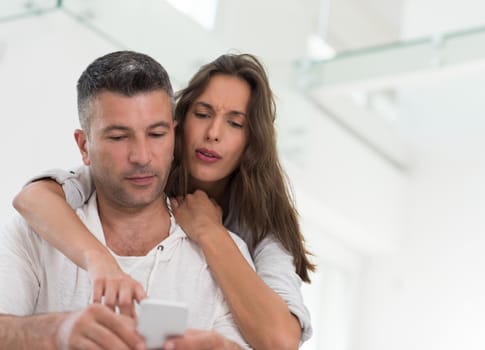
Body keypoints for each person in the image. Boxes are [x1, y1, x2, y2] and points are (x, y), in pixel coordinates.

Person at [14, 53, 315, 349]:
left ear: (253, 141)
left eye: (235, 123)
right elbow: (33, 198)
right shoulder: (124, 177)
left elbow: (280, 341)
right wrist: (99, 261)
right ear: (179, 124)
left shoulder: (259, 230)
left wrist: (210, 232)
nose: (213, 133)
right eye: (203, 114)